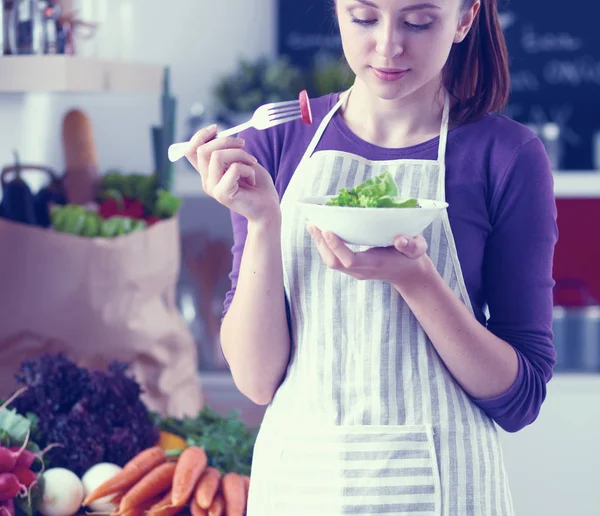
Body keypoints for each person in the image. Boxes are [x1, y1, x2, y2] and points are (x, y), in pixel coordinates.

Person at [185, 0, 558, 513]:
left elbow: (521, 398)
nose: (387, 45)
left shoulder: (507, 156)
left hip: (447, 488)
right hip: (302, 484)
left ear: (465, 18)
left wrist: (418, 282)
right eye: (364, 17)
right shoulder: (272, 143)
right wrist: (263, 220)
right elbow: (255, 380)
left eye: (419, 21)